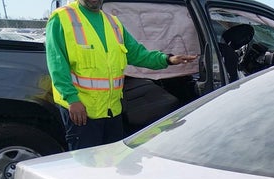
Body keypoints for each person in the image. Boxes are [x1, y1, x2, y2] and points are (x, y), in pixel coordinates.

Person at [46, 0, 197, 151]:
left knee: (112, 161)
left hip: (112, 110)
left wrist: (167, 59)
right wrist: (72, 99)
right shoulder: (62, 18)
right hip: (82, 112)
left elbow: (137, 54)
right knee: (86, 166)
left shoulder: (113, 23)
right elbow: (57, 64)